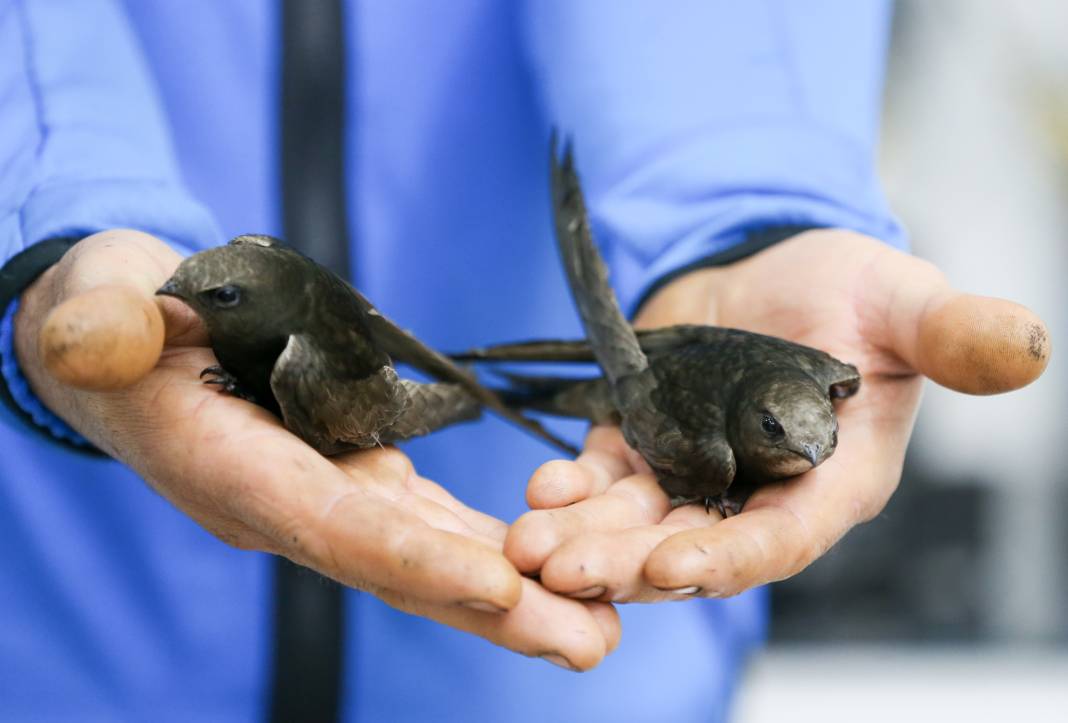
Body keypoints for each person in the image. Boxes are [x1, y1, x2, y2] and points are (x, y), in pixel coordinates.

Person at [0, 2, 1046, 722]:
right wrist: (42, 218)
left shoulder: (753, 420)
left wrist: (739, 220)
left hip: (563, 654)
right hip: (57, 638)